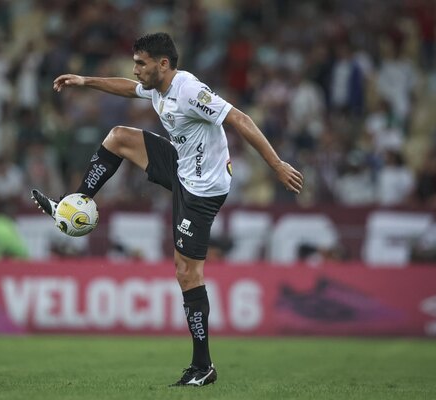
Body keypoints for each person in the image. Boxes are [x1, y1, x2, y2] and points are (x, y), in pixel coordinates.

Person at [31, 32, 303, 387]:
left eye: (141, 63)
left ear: (163, 64)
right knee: (118, 137)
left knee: (186, 273)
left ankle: (203, 366)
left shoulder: (189, 90)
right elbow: (129, 88)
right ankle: (74, 204)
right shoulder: (156, 87)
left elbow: (239, 119)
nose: (135, 69)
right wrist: (86, 81)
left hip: (203, 189)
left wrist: (277, 164)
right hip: (182, 167)